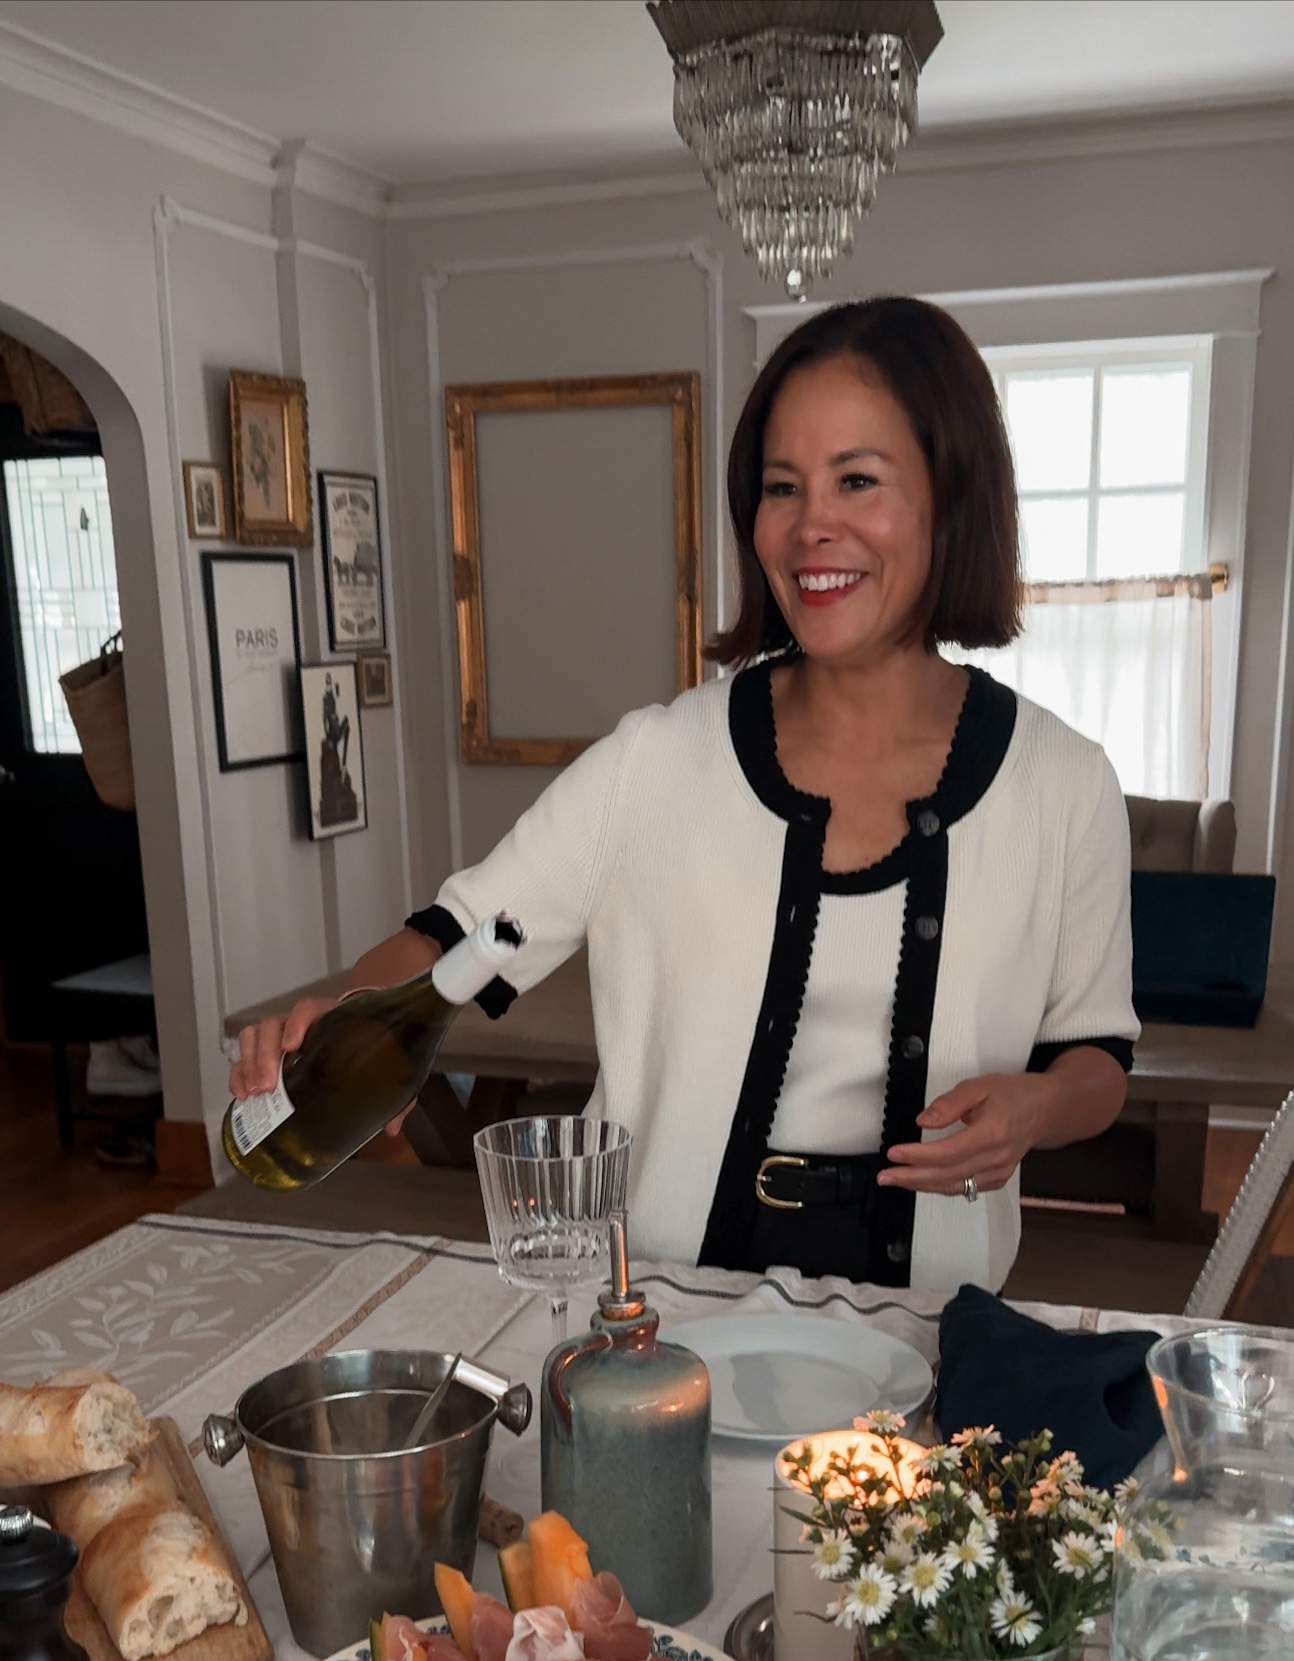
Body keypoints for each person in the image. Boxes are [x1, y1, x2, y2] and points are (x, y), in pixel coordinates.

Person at [230, 298, 1137, 1293]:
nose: (810, 526)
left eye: (858, 480)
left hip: (928, 1324)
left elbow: (1092, 1054)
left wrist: (1034, 1111)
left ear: (951, 498)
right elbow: (463, 938)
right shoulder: (654, 763)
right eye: (781, 486)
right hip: (653, 1316)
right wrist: (344, 1009)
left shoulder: (1062, 785)